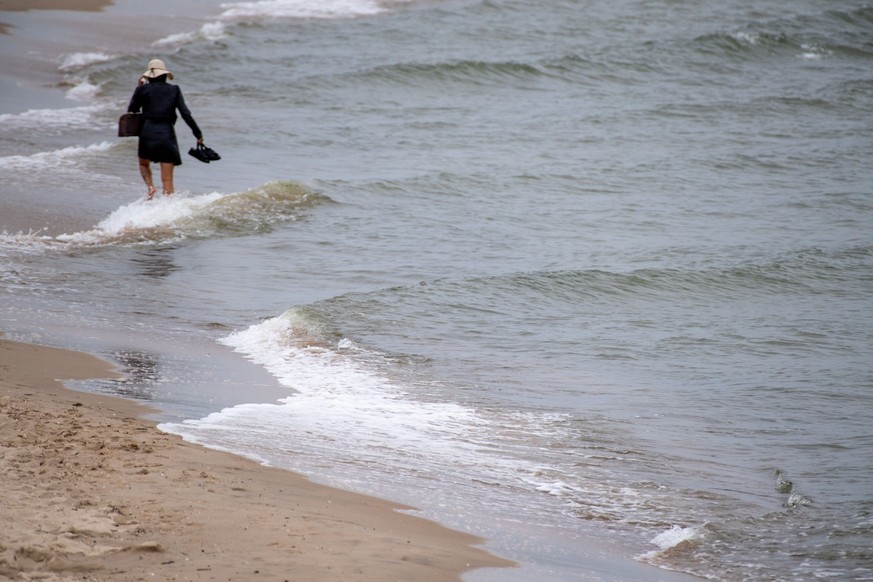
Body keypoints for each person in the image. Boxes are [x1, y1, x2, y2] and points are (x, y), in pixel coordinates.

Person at [127, 58, 203, 199]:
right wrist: (197, 133)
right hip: (166, 134)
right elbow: (185, 114)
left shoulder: (143, 90)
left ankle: (150, 187)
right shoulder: (174, 90)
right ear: (164, 75)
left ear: (149, 75)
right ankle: (167, 209)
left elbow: (132, 110)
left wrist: (138, 88)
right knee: (167, 181)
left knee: (144, 164)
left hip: (147, 133)